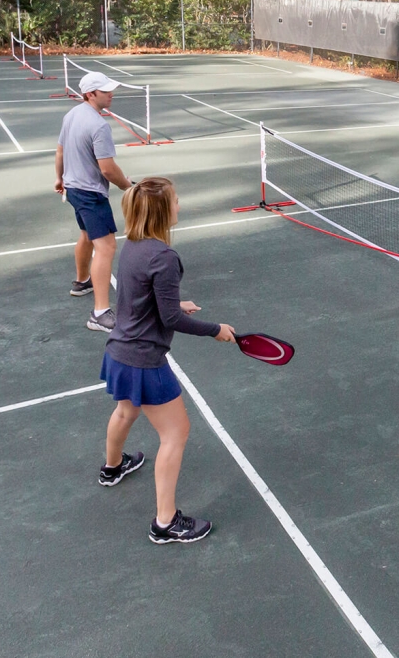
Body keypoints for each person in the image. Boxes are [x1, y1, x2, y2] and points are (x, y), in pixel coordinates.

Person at [99, 176, 237, 544]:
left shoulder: (134, 246)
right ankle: (165, 523)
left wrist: (174, 303)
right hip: (144, 360)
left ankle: (113, 468)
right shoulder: (165, 257)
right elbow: (171, 320)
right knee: (176, 433)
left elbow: (142, 299)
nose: (180, 205)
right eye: (176, 200)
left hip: (118, 352)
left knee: (125, 412)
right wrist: (215, 329)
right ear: (163, 211)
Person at [54, 70, 132, 332]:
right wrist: (127, 186)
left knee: (87, 234)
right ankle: (99, 314)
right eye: (105, 90)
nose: (111, 94)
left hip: (73, 188)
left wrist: (59, 178)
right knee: (107, 247)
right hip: (89, 193)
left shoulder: (71, 114)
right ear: (91, 94)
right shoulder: (99, 126)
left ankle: (81, 281)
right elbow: (108, 169)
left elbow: (60, 150)